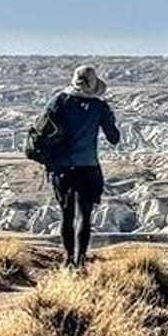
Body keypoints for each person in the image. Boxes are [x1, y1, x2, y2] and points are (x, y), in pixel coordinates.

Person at [44, 65, 120, 270]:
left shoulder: (59, 101)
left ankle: (68, 259)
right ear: (94, 84)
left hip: (62, 168)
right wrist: (108, 119)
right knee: (84, 217)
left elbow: (44, 128)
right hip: (88, 168)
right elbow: (114, 138)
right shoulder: (99, 107)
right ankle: (80, 261)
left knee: (66, 215)